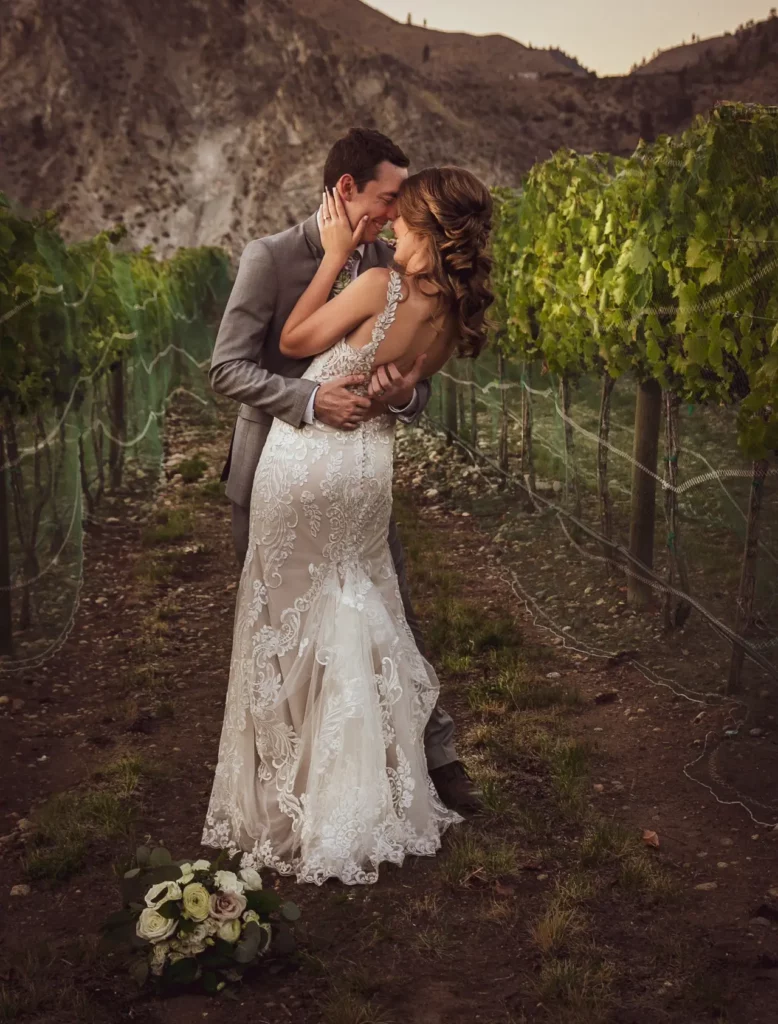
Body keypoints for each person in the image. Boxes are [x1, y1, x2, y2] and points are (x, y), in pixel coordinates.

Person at [202, 162, 493, 885]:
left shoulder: (379, 283)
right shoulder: (454, 310)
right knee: (357, 611)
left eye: (403, 210)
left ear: (425, 226)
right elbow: (232, 367)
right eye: (385, 202)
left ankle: (307, 796)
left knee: (291, 616)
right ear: (345, 187)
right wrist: (388, 394)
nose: (390, 218)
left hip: (311, 467)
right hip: (366, 475)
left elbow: (299, 340)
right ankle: (358, 788)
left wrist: (335, 257)